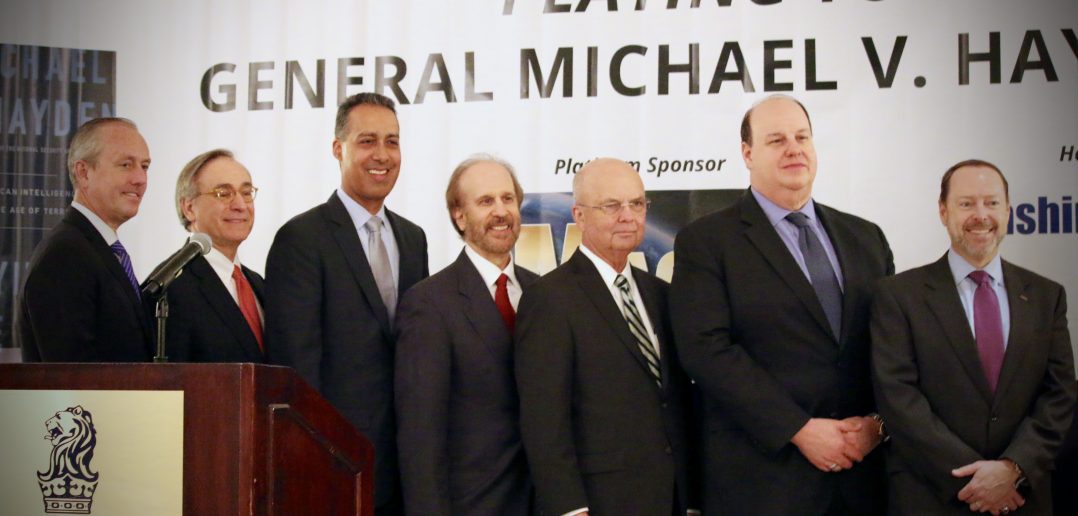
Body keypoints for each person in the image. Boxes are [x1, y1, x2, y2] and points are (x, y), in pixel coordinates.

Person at [670, 94, 893, 514]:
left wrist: (878, 426)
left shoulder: (866, 238)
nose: (793, 149)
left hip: (865, 479)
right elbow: (706, 351)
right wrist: (799, 429)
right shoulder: (707, 242)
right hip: (765, 482)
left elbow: (894, 348)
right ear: (748, 153)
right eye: (776, 140)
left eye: (801, 137)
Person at [871, 159, 1076, 515]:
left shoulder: (1047, 295)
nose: (980, 215)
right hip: (931, 496)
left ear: (1009, 211)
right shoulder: (898, 295)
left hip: (1022, 497)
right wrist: (976, 481)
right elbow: (898, 398)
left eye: (992, 203)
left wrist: (1013, 469)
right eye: (966, 204)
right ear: (943, 211)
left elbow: (1059, 394)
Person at [264, 92, 428, 515]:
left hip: (406, 465)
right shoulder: (301, 239)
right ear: (338, 149)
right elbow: (297, 369)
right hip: (334, 462)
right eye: (367, 140)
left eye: (392, 141)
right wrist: (320, 457)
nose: (383, 154)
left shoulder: (414, 239)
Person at [515, 158, 697, 515]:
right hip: (601, 502)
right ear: (579, 215)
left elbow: (675, 404)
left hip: (671, 498)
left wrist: (691, 498)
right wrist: (569, 508)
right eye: (611, 206)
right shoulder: (549, 299)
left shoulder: (661, 294)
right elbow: (544, 420)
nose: (628, 215)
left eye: (637, 204)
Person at [395, 155, 537, 515]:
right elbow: (420, 438)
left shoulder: (544, 294)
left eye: (508, 199)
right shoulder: (429, 304)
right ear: (459, 215)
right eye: (485, 201)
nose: (501, 212)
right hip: (472, 505)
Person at [16, 117, 153, 362]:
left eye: (144, 166)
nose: (140, 179)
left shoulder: (97, 248)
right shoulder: (65, 256)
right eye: (125, 165)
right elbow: (71, 379)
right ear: (84, 172)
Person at [153, 149, 265, 363]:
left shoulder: (258, 284)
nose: (240, 205)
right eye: (223, 193)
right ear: (189, 208)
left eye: (247, 192)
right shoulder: (169, 287)